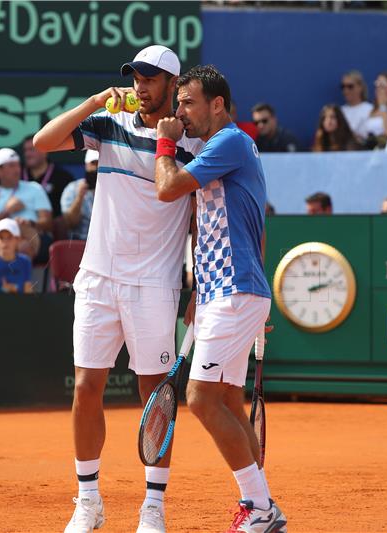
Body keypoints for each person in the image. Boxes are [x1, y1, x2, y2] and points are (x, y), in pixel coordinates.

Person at [33, 44, 203, 533]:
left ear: (173, 87)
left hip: (155, 283)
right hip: (98, 279)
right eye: (136, 78)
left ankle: (153, 507)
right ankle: (88, 500)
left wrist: (196, 286)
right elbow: (43, 142)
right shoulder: (109, 125)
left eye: (151, 79)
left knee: (155, 397)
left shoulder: (191, 144)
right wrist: (90, 103)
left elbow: (197, 221)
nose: (140, 86)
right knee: (87, 387)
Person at [153, 64, 287, 533]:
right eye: (178, 103)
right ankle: (264, 505)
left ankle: (259, 507)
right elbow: (233, 225)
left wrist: (165, 144)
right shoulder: (223, 149)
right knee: (228, 400)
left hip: (234, 292)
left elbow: (168, 188)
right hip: (225, 292)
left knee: (201, 399)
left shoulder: (229, 140)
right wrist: (201, 290)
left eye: (187, 102)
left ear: (218, 105)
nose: (180, 112)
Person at [0, 148, 52, 260]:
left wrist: (30, 223)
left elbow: (48, 223)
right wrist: (7, 212)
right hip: (0, 239)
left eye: (18, 165)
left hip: (32, 236)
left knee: (22, 243)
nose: (17, 170)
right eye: (11, 166)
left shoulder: (35, 188)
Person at [22, 136, 75, 221]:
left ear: (44, 151)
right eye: (25, 150)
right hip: (22, 226)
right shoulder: (17, 175)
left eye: (31, 149)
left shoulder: (62, 177)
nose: (27, 154)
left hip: (53, 229)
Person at [0, 218, 34, 294]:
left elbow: (28, 292)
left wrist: (12, 289)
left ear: (18, 239)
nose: (5, 242)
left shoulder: (25, 262)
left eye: (9, 237)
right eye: (1, 238)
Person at [60, 150, 97, 241]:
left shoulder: (117, 188)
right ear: (86, 165)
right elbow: (69, 223)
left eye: (101, 162)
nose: (98, 167)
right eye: (94, 163)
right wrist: (79, 197)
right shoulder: (72, 189)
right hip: (80, 243)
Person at [340, 70, 373, 141]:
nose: (346, 90)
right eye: (343, 87)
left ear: (360, 87)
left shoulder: (370, 110)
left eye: (350, 86)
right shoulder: (340, 111)